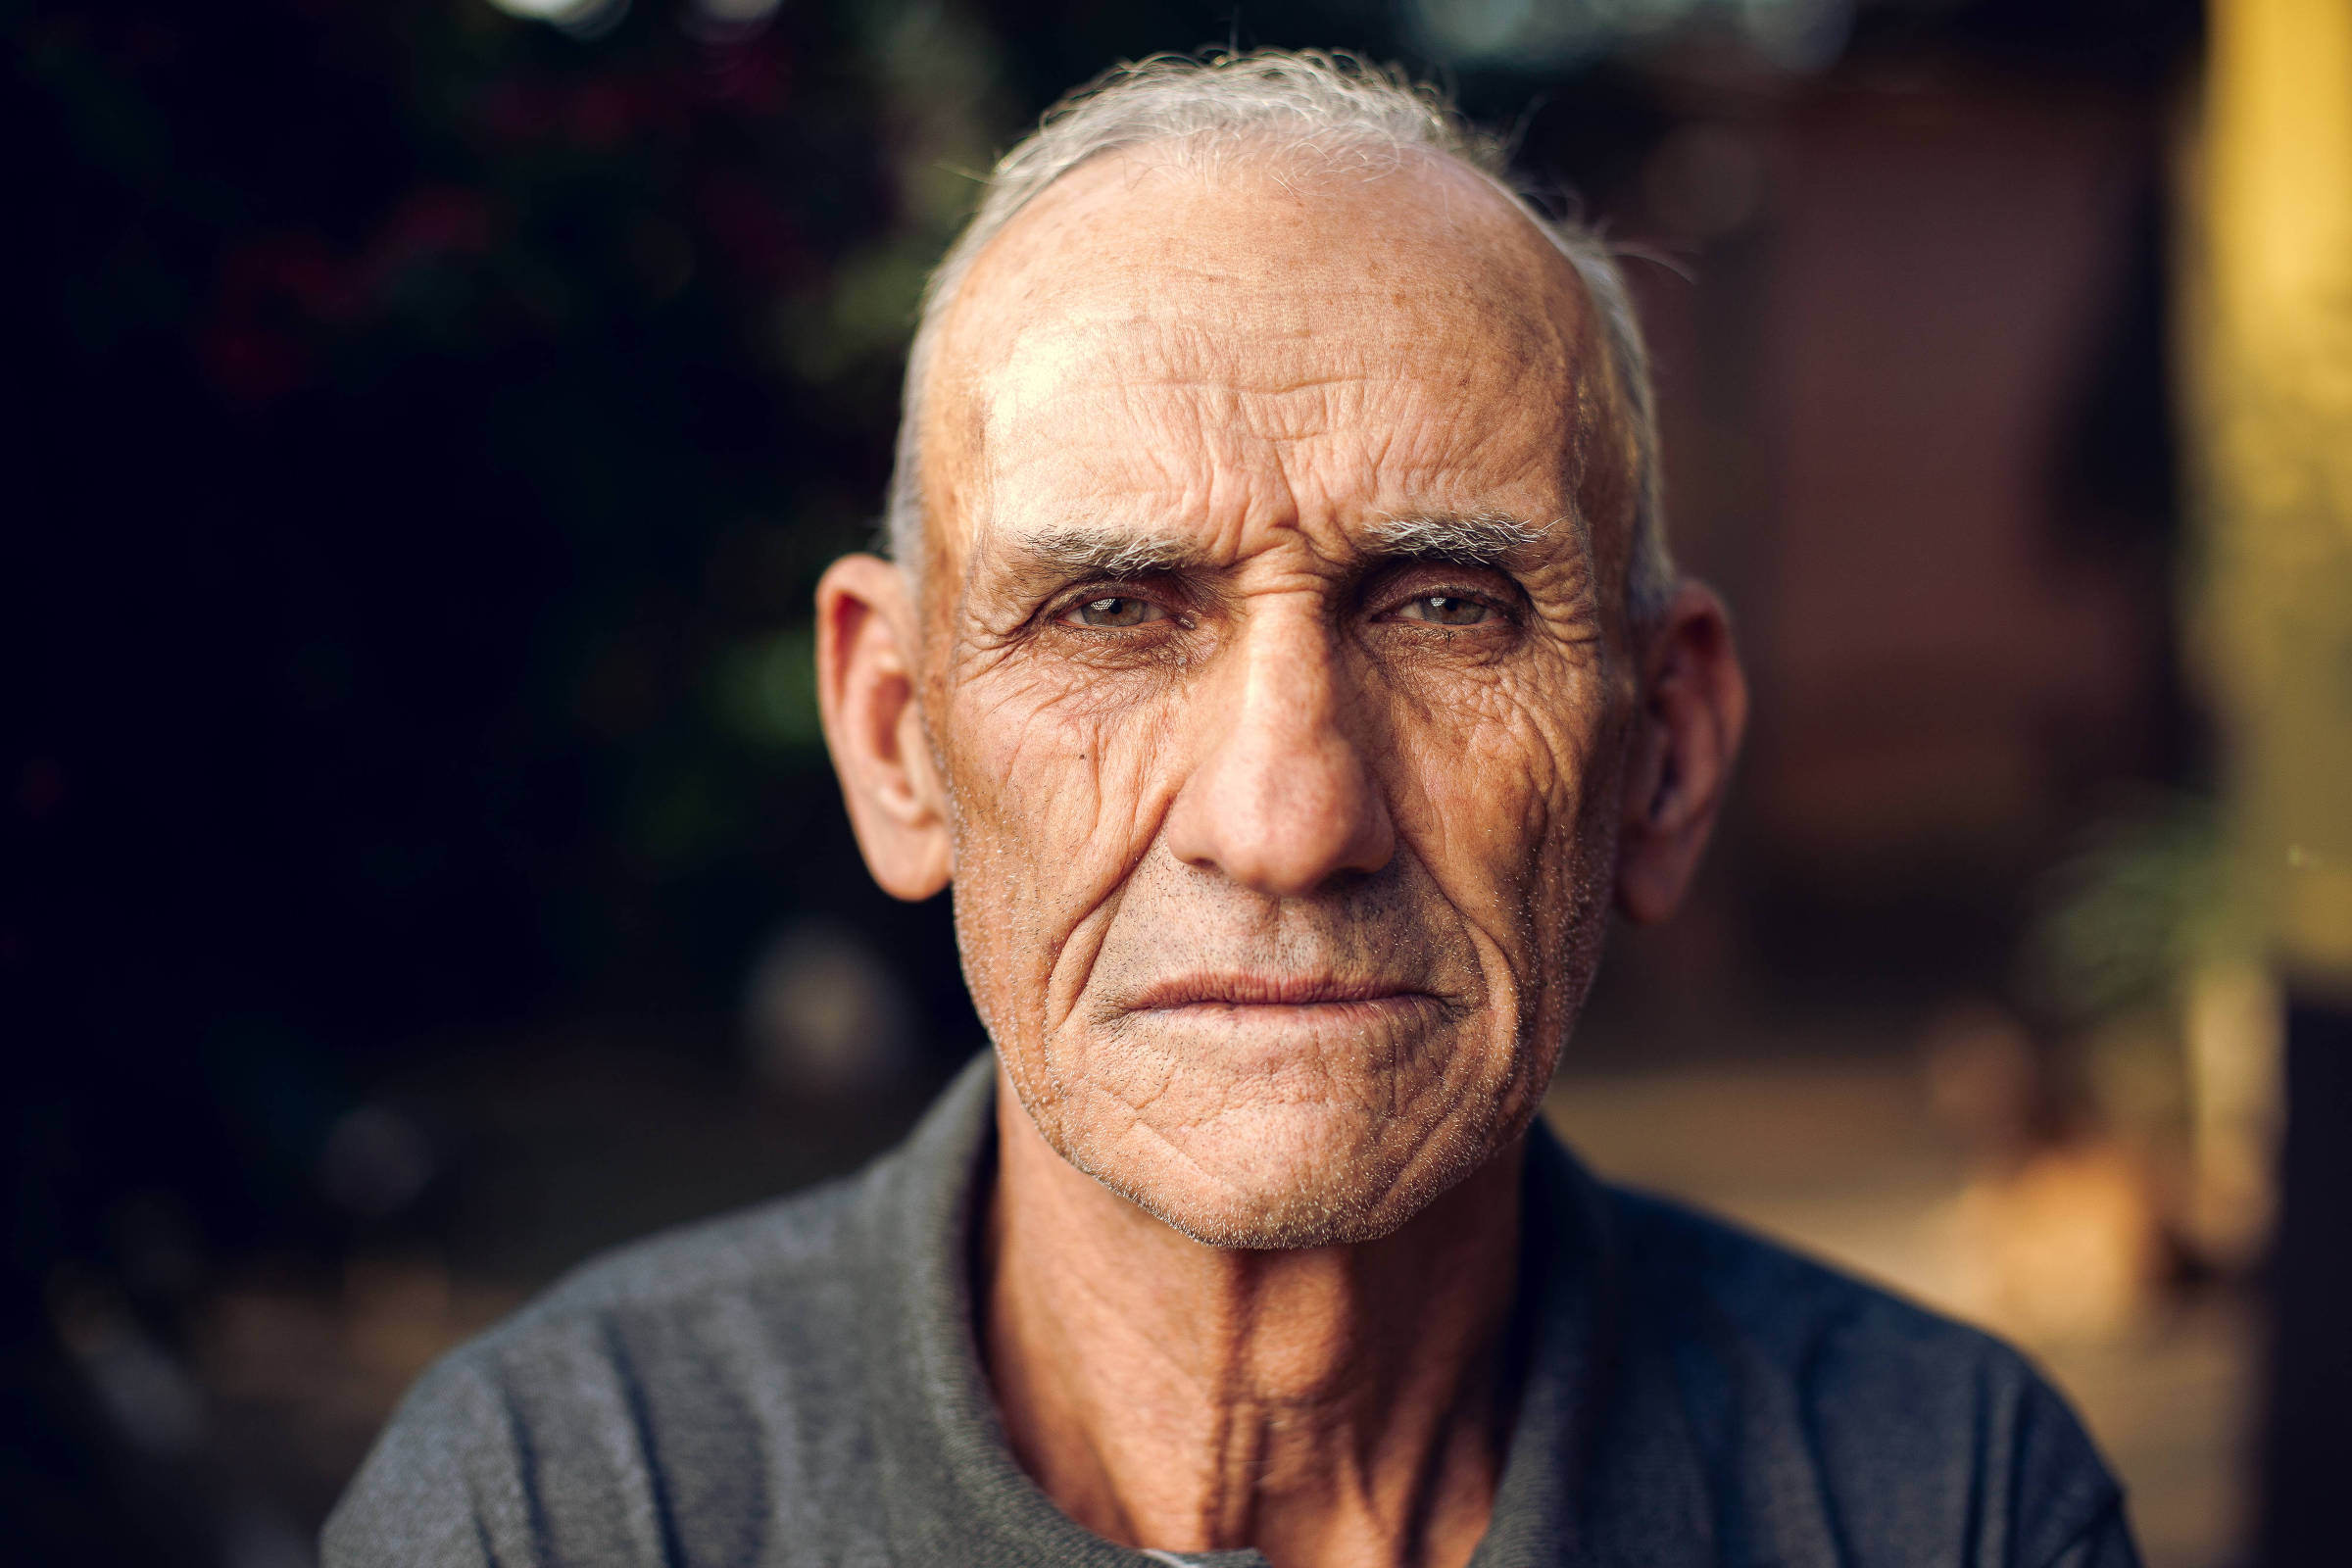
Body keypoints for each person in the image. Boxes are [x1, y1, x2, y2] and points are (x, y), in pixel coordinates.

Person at [325, 50, 2139, 1568]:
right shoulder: (558, 1511)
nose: (1285, 820)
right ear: (897, 740)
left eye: (1445, 611)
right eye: (1110, 613)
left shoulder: (1944, 1502)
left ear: (1663, 755)